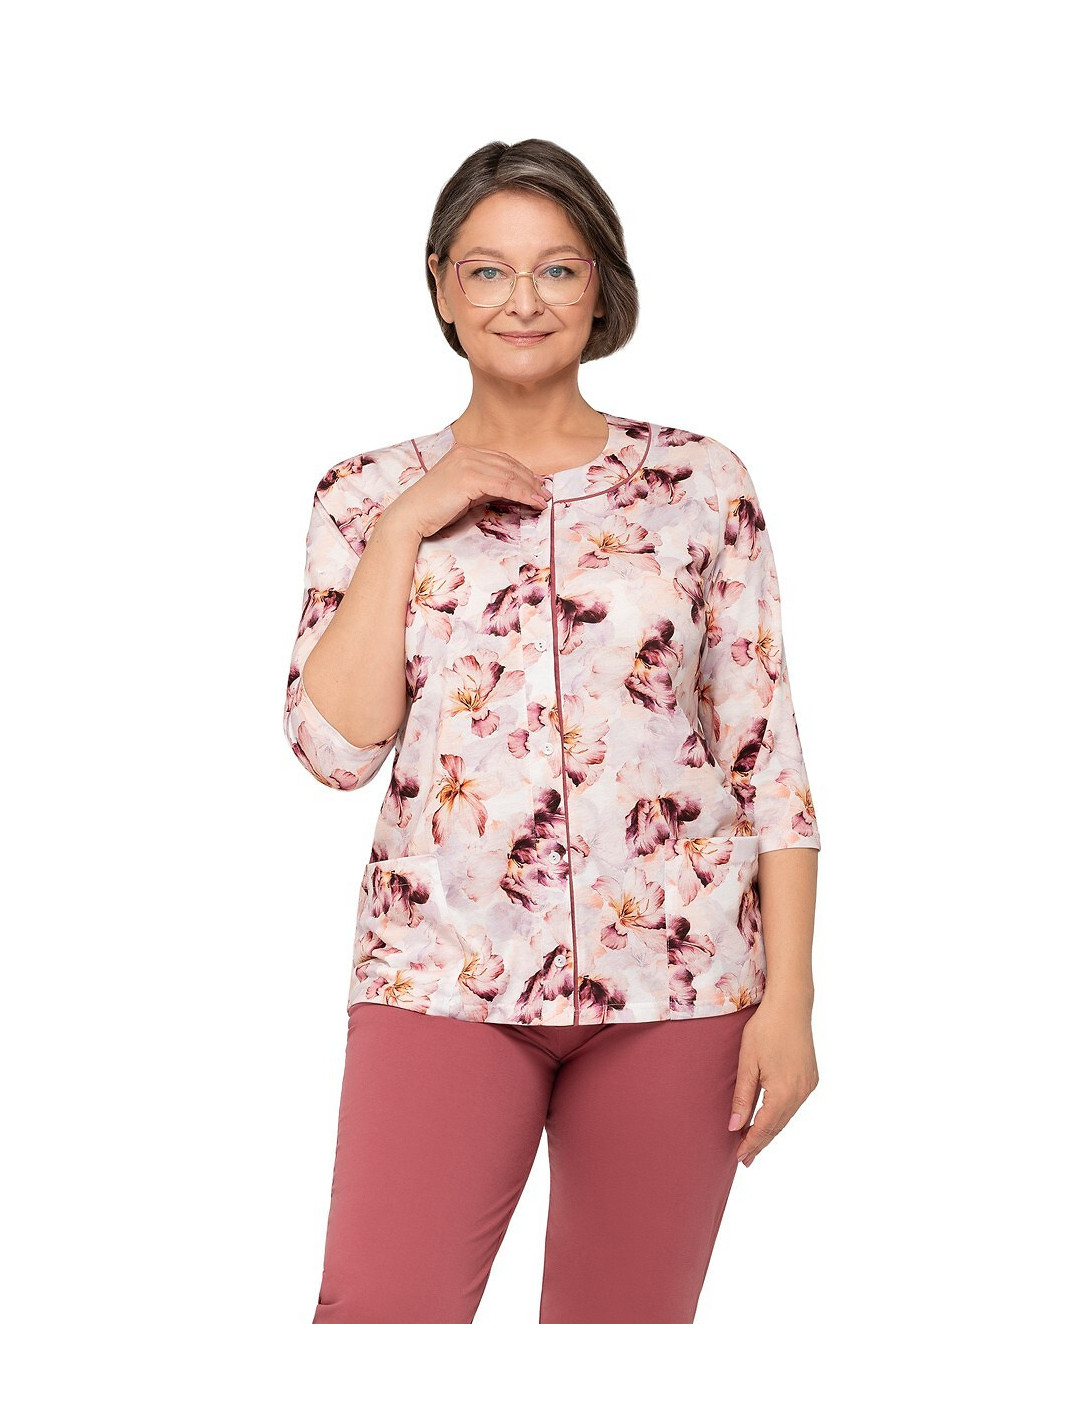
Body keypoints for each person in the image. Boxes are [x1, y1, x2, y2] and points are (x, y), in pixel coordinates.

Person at [283, 138, 822, 1324]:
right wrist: (405, 528)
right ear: (440, 286)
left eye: (556, 268)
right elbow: (334, 748)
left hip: (678, 983)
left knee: (618, 1346)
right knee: (377, 1324)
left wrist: (788, 1002)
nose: (520, 300)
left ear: (599, 286)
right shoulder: (363, 493)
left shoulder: (698, 483)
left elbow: (764, 757)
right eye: (486, 269)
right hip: (440, 973)